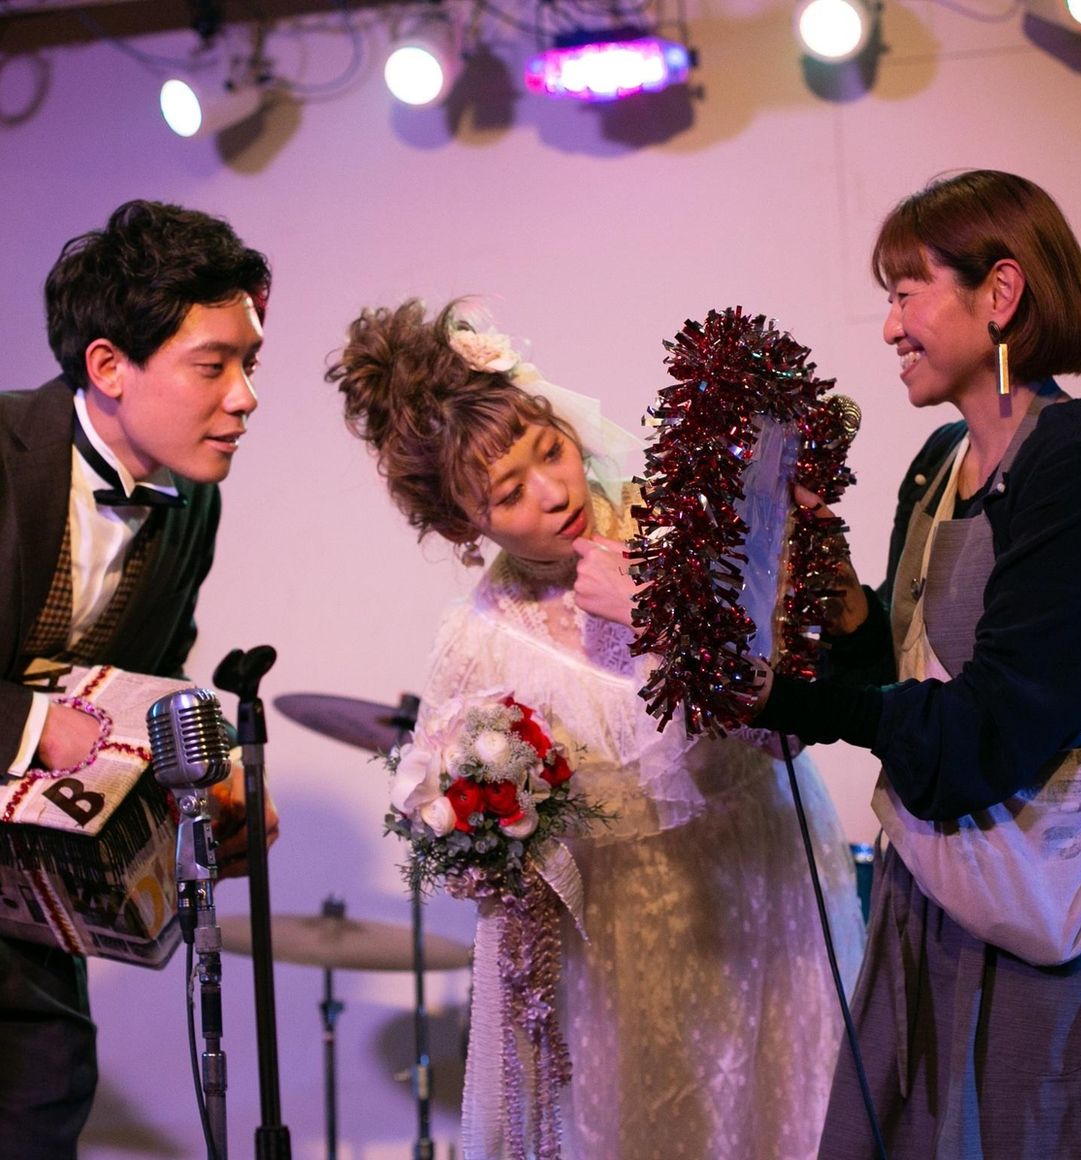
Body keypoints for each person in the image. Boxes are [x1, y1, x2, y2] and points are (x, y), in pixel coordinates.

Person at [328, 299, 866, 1160]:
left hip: (763, 888)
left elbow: (792, 699)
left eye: (551, 450)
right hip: (625, 948)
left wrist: (665, 605)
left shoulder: (686, 526)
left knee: (790, 1115)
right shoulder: (482, 641)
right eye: (509, 493)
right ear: (465, 524)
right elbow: (446, 822)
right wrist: (493, 818)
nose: (554, 493)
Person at [749, 170, 1081, 1155]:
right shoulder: (938, 461)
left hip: (1045, 916)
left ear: (1000, 292)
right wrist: (840, 607)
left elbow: (988, 732)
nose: (890, 326)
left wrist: (787, 698)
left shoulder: (1079, 466)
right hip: (932, 898)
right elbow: (901, 675)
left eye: (905, 291)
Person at [0, 199, 275, 1159]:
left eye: (250, 364)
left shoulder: (193, 501)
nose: (245, 397)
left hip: (26, 900)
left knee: (43, 1105)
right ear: (109, 365)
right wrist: (34, 725)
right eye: (214, 365)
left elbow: (152, 672)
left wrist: (212, 761)